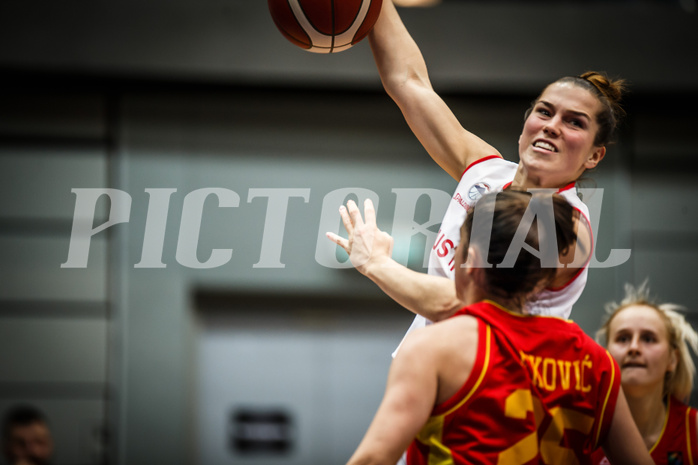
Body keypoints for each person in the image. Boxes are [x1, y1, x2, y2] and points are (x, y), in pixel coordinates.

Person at [327, 0, 627, 354]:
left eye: (574, 122)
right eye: (545, 112)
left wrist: (376, 264)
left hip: (498, 389)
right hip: (439, 369)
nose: (551, 126)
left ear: (595, 155)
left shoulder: (565, 224)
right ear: (525, 125)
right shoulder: (485, 170)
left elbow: (468, 304)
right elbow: (408, 82)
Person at [344, 190, 652, 465]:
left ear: (471, 262)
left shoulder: (434, 348)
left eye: (457, 251)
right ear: (542, 277)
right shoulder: (595, 362)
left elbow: (373, 458)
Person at [591, 282, 698, 465]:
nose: (634, 348)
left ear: (672, 359)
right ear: (606, 355)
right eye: (623, 338)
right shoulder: (582, 426)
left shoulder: (693, 430)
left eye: (648, 338)